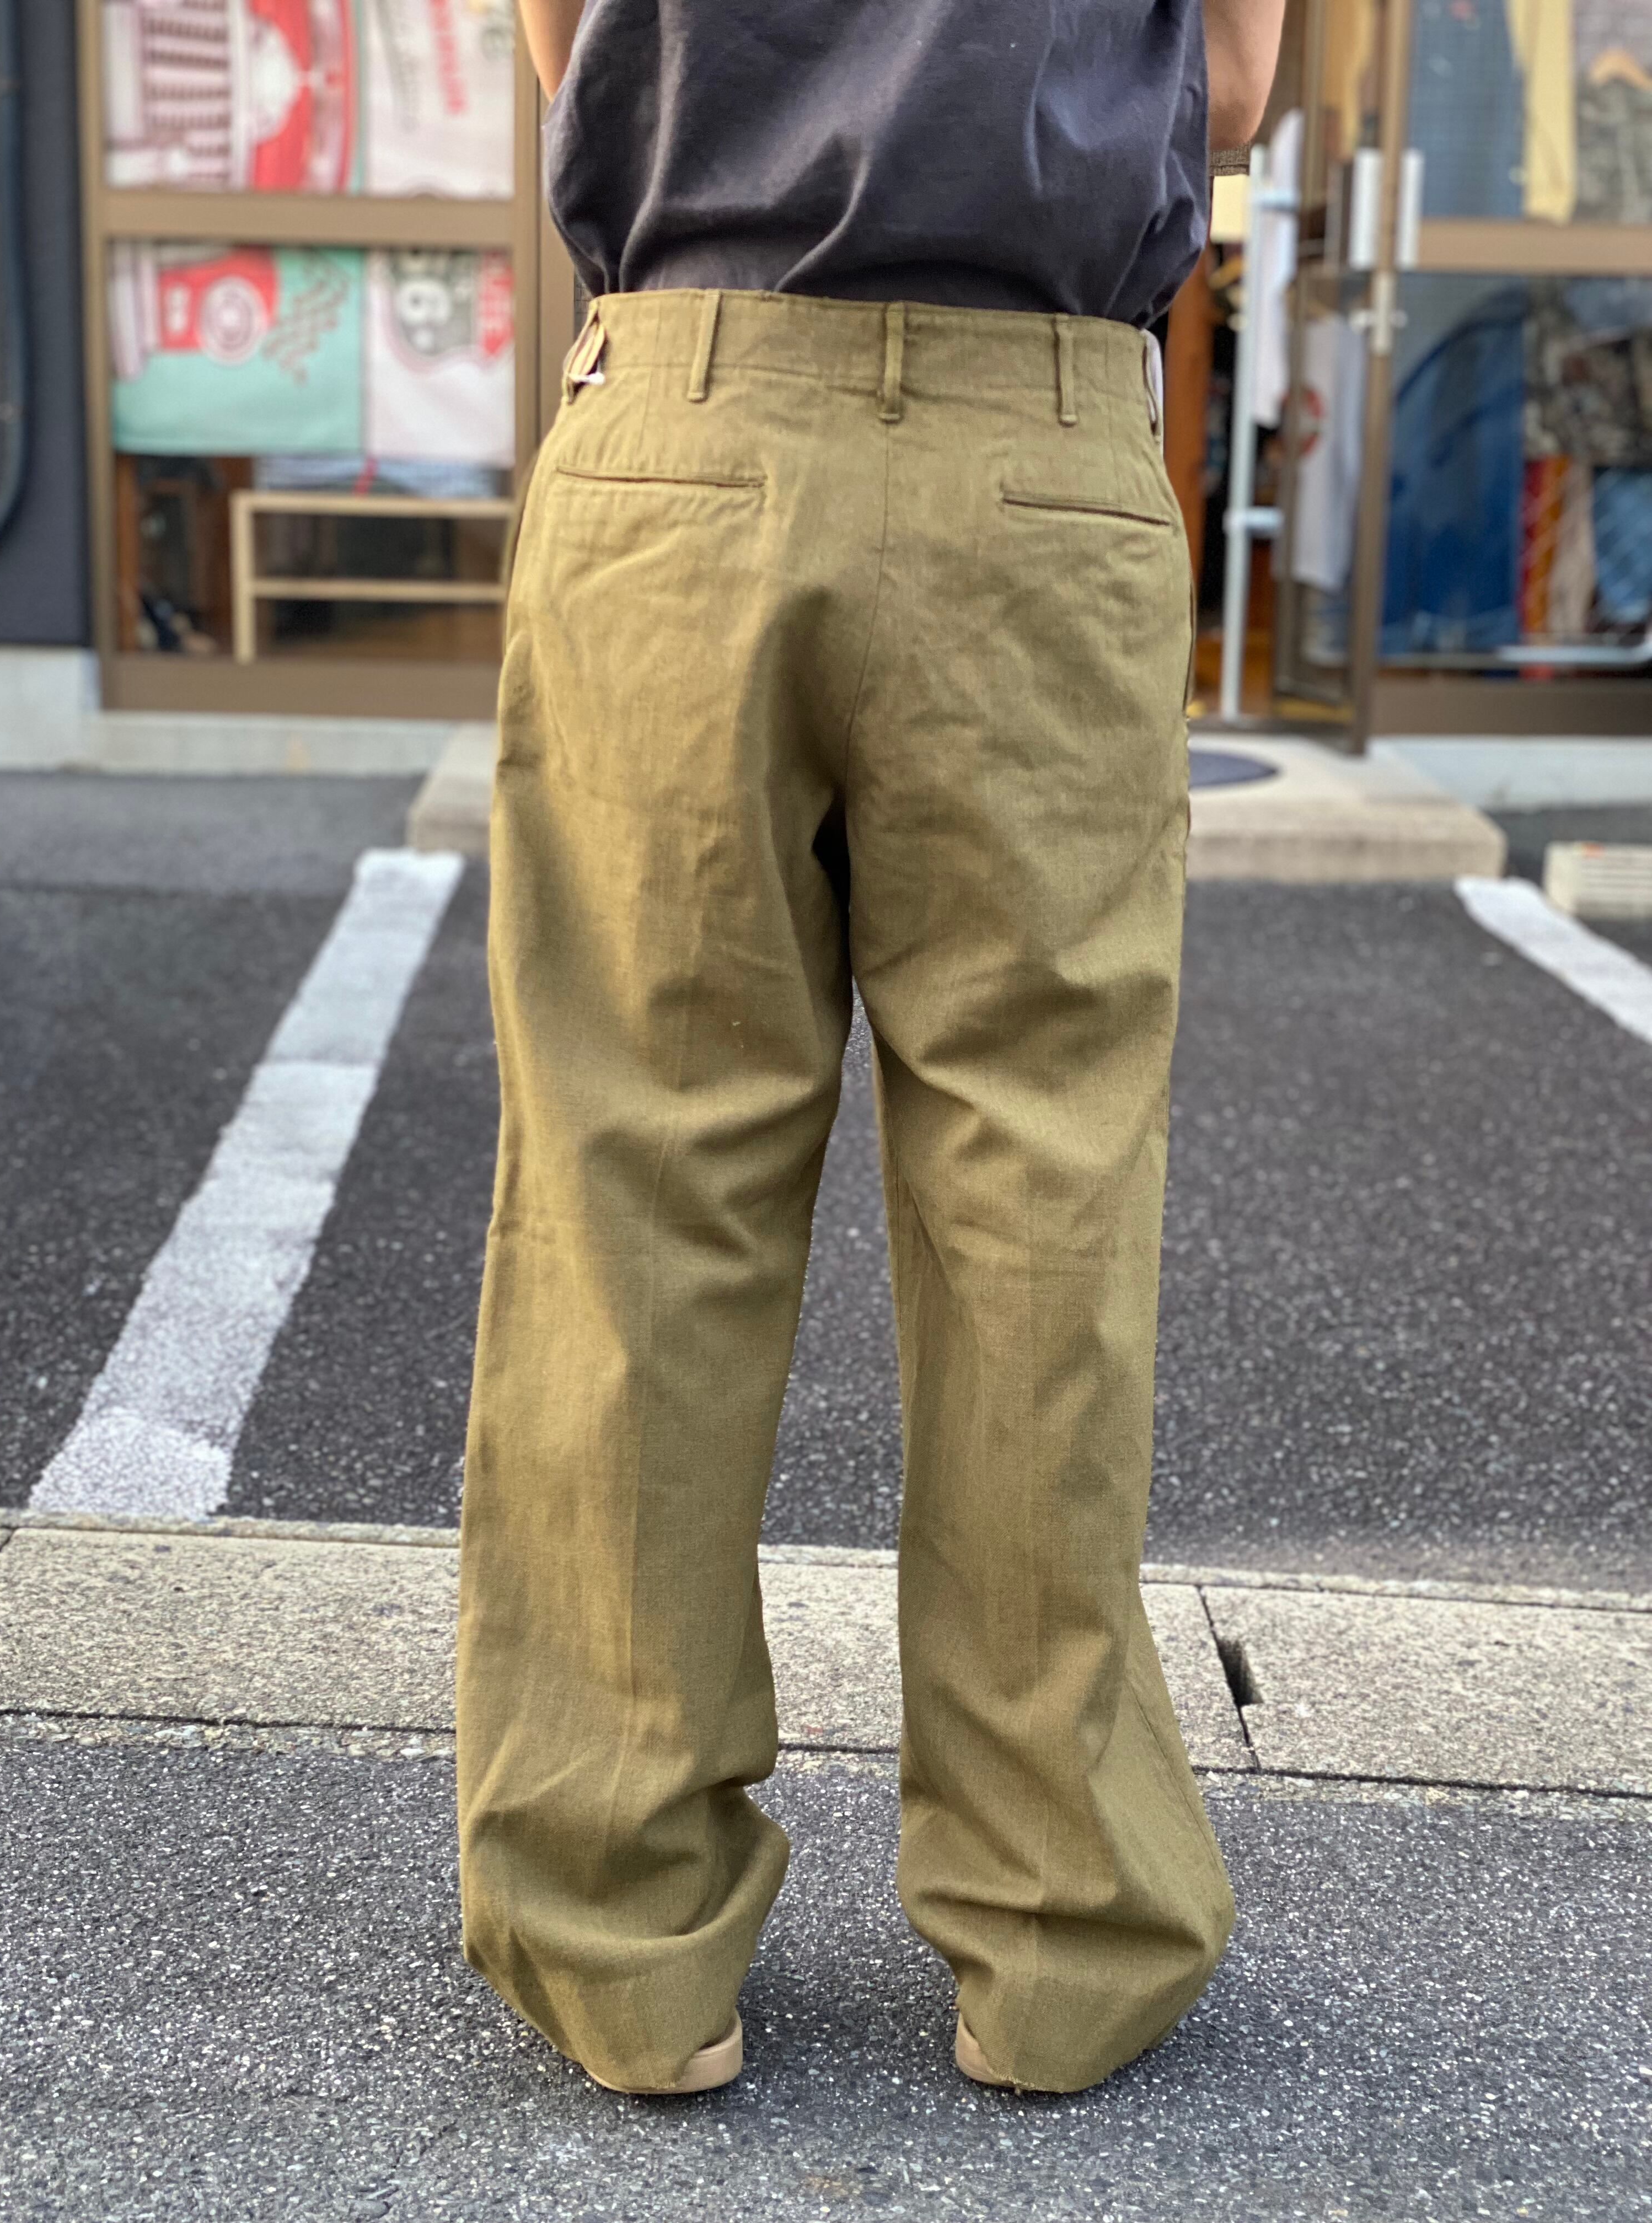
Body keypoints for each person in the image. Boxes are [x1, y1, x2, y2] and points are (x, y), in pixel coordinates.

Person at [457, 0, 1286, 2097]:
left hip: (683, 427)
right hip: (1040, 456)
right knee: (1040, 1204)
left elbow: (562, 37)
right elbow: (1238, 85)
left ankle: (622, 1937)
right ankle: (1061, 1937)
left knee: (636, 1188)